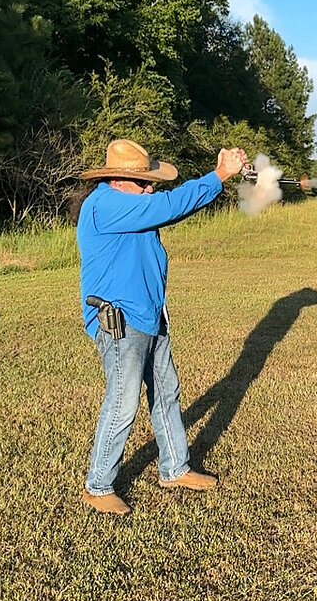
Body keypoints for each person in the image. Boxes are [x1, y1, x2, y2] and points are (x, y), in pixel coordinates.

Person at [75, 138, 249, 515]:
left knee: (166, 393)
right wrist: (219, 174)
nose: (151, 189)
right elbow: (171, 205)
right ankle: (98, 485)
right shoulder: (105, 204)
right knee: (123, 404)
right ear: (120, 180)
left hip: (151, 315)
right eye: (145, 183)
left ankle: (174, 468)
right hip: (120, 321)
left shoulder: (128, 204)